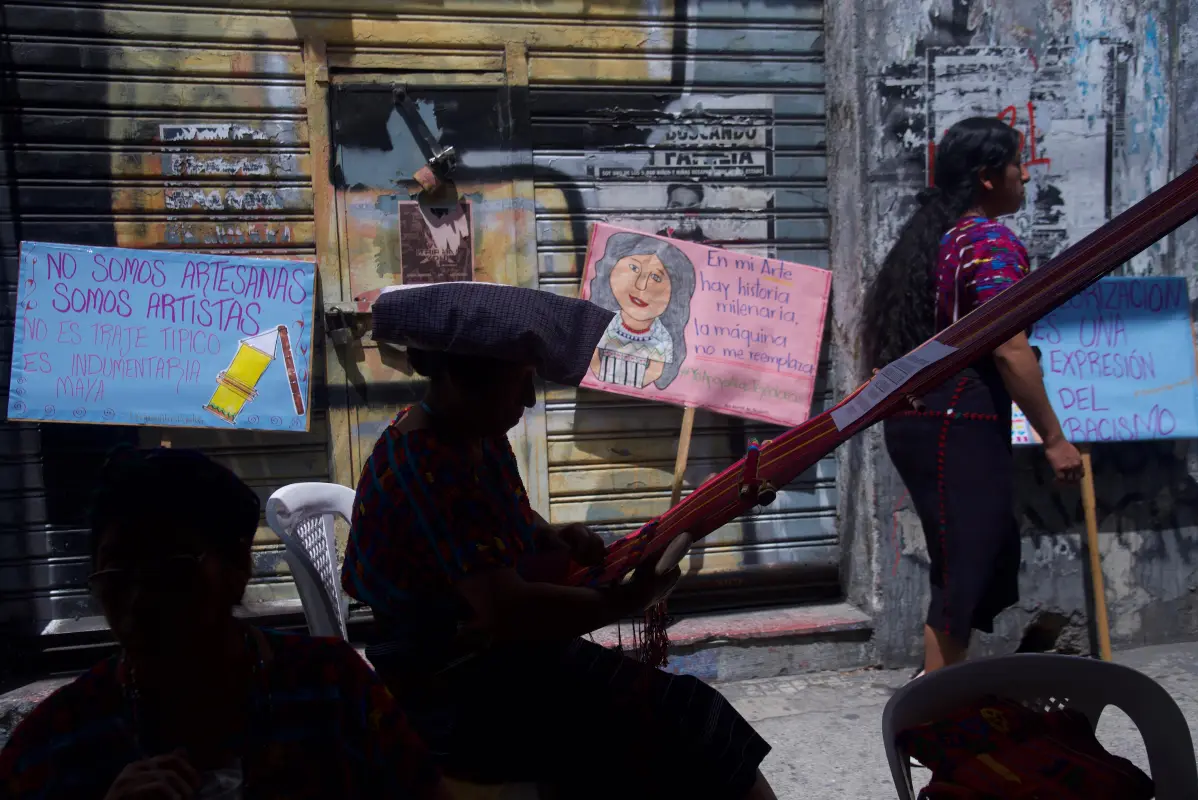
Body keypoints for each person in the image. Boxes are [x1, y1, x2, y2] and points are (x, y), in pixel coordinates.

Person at [345, 282, 776, 800]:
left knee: (685, 714)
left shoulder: (476, 439)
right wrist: (629, 598)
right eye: (518, 382)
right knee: (676, 724)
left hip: (490, 658)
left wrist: (555, 535)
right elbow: (507, 608)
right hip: (447, 686)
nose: (529, 399)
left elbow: (507, 523)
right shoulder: (426, 463)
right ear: (461, 379)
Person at [0, 447, 447, 800]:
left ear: (238, 569)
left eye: (171, 569)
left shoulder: (332, 692)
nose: (140, 598)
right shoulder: (59, 742)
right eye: (116, 573)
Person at [861, 117, 1084, 678]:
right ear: (988, 177)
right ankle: (935, 703)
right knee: (967, 563)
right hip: (957, 419)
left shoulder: (938, 238)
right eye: (1017, 165)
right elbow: (1009, 346)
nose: (1024, 178)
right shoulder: (986, 240)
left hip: (930, 419)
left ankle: (940, 690)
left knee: (962, 561)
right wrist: (1055, 439)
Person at [588, 231, 695, 390]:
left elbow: (655, 369)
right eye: (634, 268)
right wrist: (600, 373)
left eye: (656, 278)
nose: (641, 285)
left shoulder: (661, 336)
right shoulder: (605, 322)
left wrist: (635, 383)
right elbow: (592, 352)